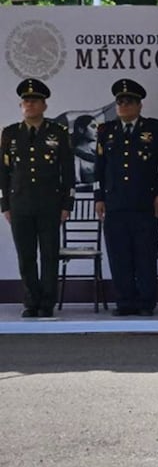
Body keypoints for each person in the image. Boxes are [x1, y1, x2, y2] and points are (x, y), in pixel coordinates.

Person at [93, 79, 158, 316]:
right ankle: (125, 301)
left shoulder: (156, 129)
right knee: (119, 255)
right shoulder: (105, 131)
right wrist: (99, 197)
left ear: (139, 105)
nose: (124, 106)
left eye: (129, 102)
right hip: (115, 203)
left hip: (145, 203)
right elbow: (99, 168)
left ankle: (146, 302)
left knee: (145, 254)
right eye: (120, 102)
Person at [0, 79, 75, 318]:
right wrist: (5, 205)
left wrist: (66, 204)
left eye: (34, 101)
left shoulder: (58, 133)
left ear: (44, 105)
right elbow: (3, 173)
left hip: (49, 203)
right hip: (20, 203)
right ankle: (31, 301)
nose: (28, 105)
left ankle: (47, 302)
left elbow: (68, 171)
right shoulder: (10, 133)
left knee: (49, 254)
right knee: (26, 255)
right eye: (25, 101)